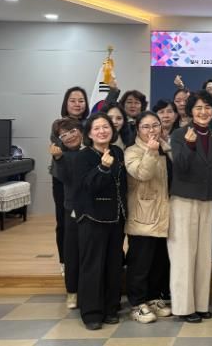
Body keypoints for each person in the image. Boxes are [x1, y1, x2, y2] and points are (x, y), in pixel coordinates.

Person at [169, 90, 212, 323]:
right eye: (198, 107)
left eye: (207, 107)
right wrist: (190, 146)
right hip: (183, 200)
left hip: (208, 200)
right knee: (183, 254)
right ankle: (183, 307)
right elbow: (179, 167)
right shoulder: (179, 134)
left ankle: (200, 304)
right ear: (191, 111)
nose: (203, 112)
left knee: (203, 255)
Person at [74, 113, 127, 330]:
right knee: (93, 266)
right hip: (93, 218)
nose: (102, 131)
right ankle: (91, 312)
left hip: (116, 217)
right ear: (89, 133)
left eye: (106, 127)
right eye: (96, 128)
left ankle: (111, 308)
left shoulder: (117, 151)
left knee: (114, 264)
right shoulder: (83, 156)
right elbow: (87, 187)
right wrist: (102, 168)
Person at [124, 111, 173, 324]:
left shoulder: (166, 148)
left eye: (155, 125)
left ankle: (153, 298)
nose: (151, 130)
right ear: (137, 129)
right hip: (143, 215)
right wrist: (151, 152)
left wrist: (164, 148)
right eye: (146, 126)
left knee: (158, 261)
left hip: (164, 214)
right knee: (140, 263)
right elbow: (143, 173)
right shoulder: (132, 151)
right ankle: (137, 304)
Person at [49, 87, 89, 277]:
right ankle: (65, 261)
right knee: (63, 221)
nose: (77, 104)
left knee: (84, 220)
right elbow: (63, 147)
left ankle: (82, 258)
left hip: (84, 178)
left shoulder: (90, 124)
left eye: (81, 100)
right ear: (66, 103)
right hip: (62, 178)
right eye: (72, 100)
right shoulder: (58, 124)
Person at [49, 117, 83, 309]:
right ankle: (72, 291)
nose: (69, 136)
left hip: (93, 209)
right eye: (64, 135)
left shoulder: (91, 151)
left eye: (72, 131)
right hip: (72, 209)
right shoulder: (61, 156)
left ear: (81, 130)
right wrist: (58, 158)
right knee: (71, 251)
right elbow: (63, 178)